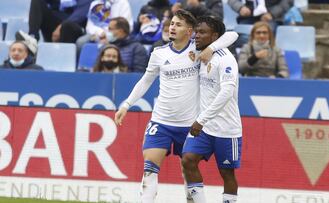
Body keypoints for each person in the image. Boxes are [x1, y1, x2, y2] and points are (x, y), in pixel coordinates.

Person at [114, 9, 238, 203]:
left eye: (178, 24)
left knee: (188, 169)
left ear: (190, 31)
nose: (172, 27)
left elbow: (232, 34)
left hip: (189, 124)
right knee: (149, 168)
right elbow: (146, 80)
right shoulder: (158, 53)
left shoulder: (198, 49)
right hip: (161, 121)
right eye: (171, 23)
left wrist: (212, 48)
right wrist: (126, 104)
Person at [181, 15, 242, 203]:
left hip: (226, 128)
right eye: (196, 32)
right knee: (188, 160)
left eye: (202, 32)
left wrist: (201, 119)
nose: (196, 36)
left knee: (226, 173)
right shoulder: (201, 53)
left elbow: (227, 92)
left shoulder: (226, 59)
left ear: (214, 36)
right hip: (205, 128)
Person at [17, 0, 92, 44]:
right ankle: (32, 39)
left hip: (75, 28)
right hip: (55, 25)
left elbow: (81, 14)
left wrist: (61, 26)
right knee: (37, 1)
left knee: (67, 25)